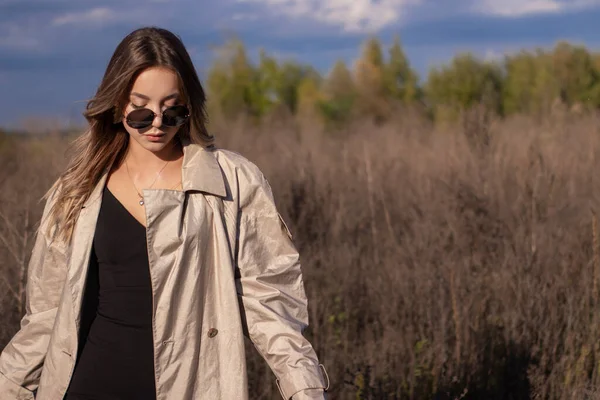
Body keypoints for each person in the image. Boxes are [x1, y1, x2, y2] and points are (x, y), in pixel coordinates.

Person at [0, 26, 329, 400]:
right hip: (89, 383)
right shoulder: (76, 190)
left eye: (172, 108)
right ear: (117, 103)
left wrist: (305, 387)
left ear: (190, 105)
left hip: (192, 385)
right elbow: (46, 317)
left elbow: (271, 301)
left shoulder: (233, 182)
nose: (156, 121)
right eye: (140, 107)